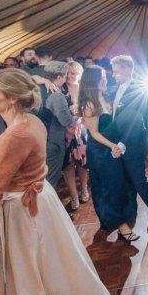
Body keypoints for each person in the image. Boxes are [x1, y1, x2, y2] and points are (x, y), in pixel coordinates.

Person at [0, 68, 111, 295]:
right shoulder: (31, 120)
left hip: (23, 209)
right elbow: (23, 155)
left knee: (32, 273)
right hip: (41, 200)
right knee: (53, 267)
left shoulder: (15, 136)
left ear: (12, 97)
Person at [78, 66, 138, 240]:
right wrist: (113, 146)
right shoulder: (89, 104)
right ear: (93, 81)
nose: (106, 80)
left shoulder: (104, 97)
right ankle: (121, 226)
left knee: (119, 184)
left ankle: (115, 219)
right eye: (102, 78)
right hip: (100, 151)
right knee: (109, 187)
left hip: (112, 147)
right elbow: (94, 133)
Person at [111, 55, 148, 233]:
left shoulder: (137, 89)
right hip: (119, 142)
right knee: (127, 181)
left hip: (134, 142)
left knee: (139, 180)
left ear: (127, 69)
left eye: (117, 71)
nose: (114, 74)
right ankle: (131, 213)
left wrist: (122, 143)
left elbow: (136, 121)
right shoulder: (115, 88)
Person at [37, 61, 73, 188]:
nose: (67, 77)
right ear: (58, 77)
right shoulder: (57, 96)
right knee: (50, 182)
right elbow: (66, 121)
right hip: (52, 142)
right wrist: (77, 115)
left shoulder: (36, 89)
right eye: (65, 75)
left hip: (37, 139)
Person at [61, 61, 89, 211]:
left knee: (83, 162)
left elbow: (92, 109)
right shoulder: (60, 89)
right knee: (68, 164)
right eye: (68, 73)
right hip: (65, 130)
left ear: (80, 74)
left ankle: (84, 188)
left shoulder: (85, 90)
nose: (70, 76)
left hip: (82, 129)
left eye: (73, 73)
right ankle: (73, 194)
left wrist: (80, 113)